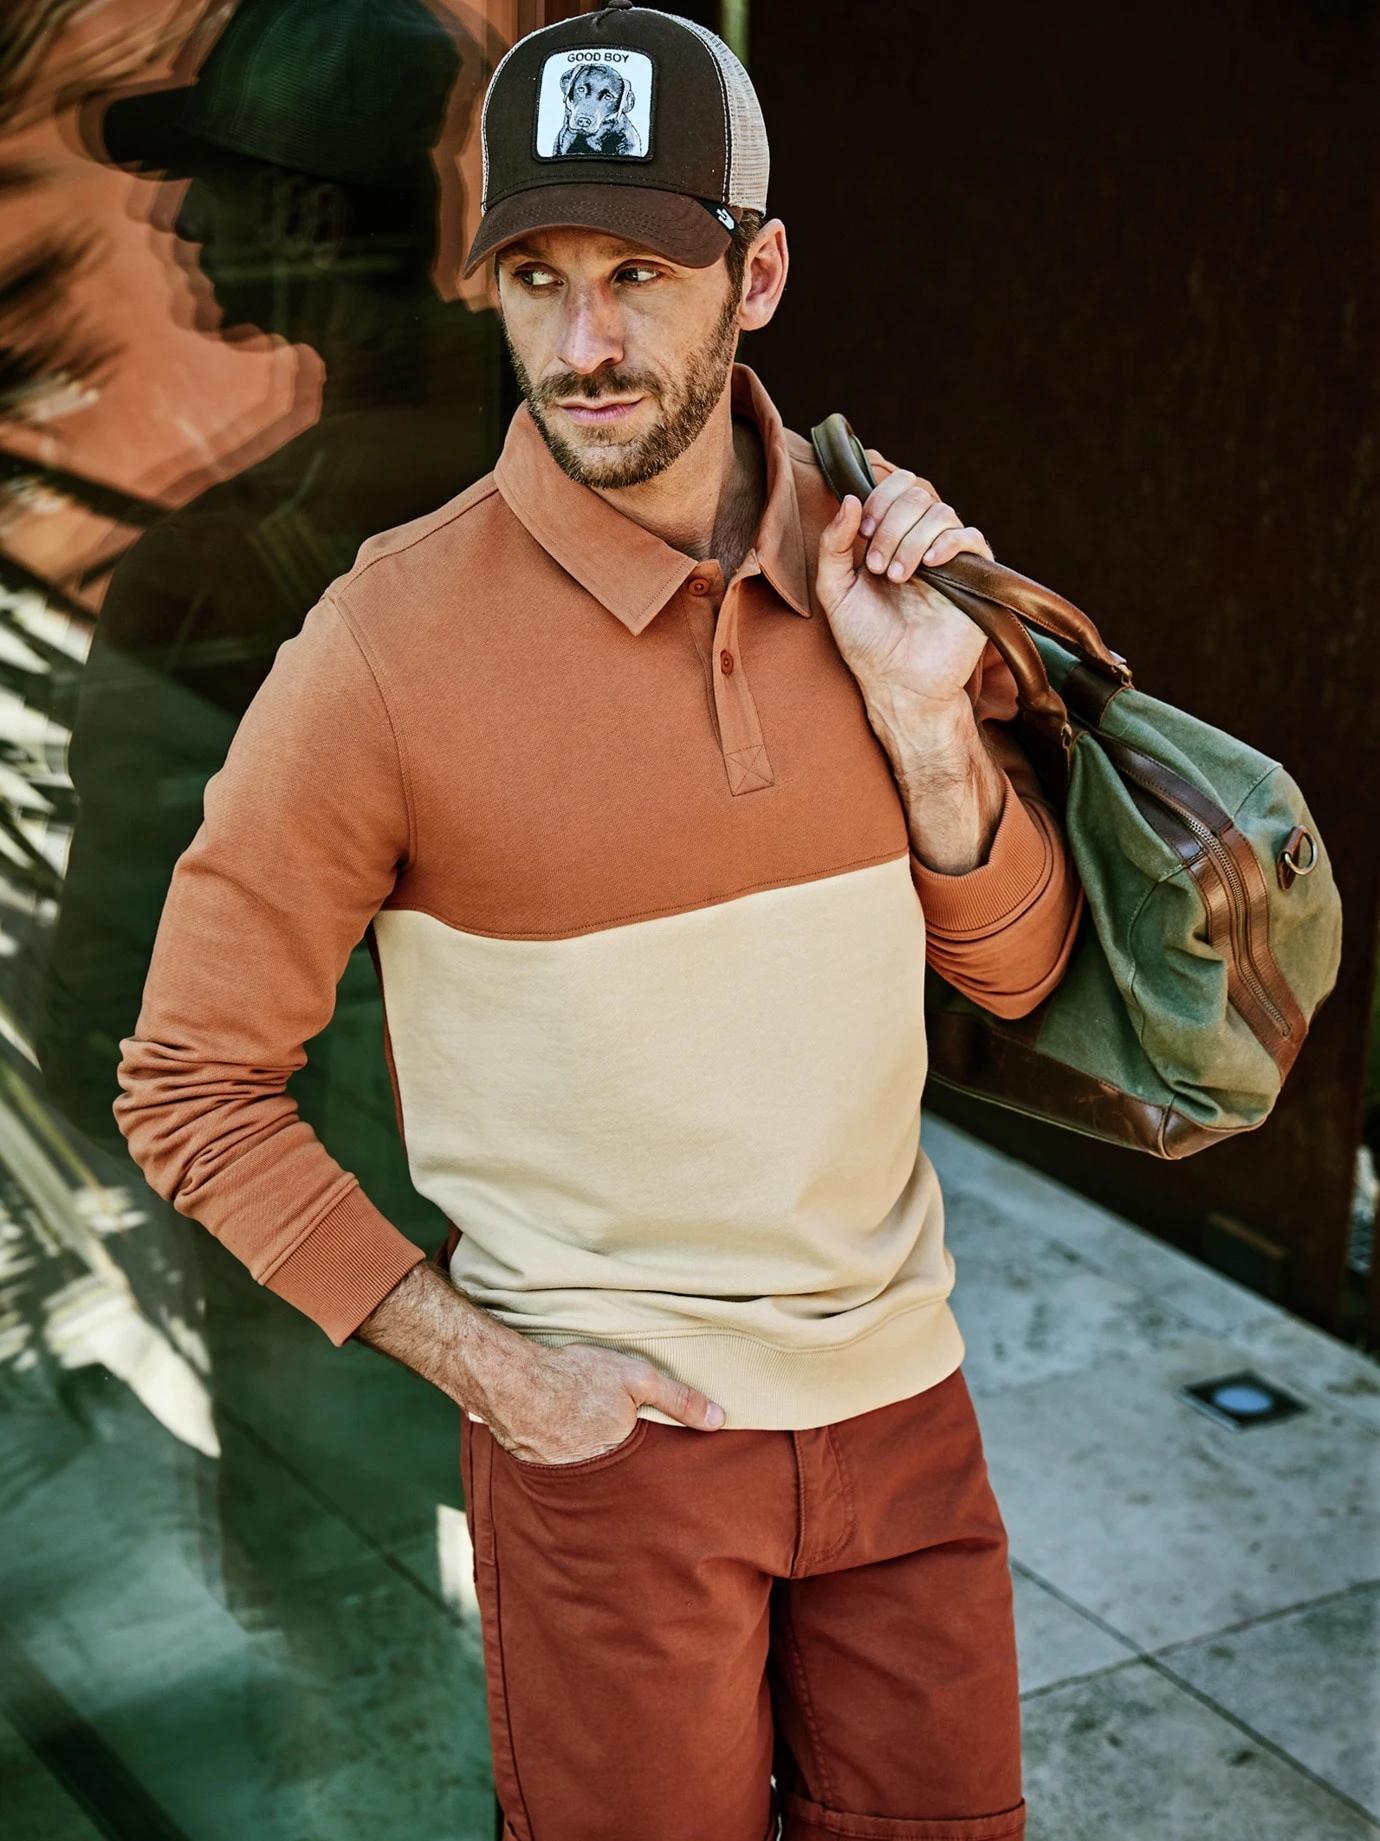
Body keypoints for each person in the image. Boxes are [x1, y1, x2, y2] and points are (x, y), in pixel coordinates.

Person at [116, 6, 1083, 1837]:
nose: (584, 345)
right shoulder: (379, 651)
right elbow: (188, 1086)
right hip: (612, 1460)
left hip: (906, 1419)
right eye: (538, 278)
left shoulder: (887, 573)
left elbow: (1023, 980)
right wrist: (492, 1371)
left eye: (640, 273)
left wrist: (924, 720)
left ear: (758, 276)